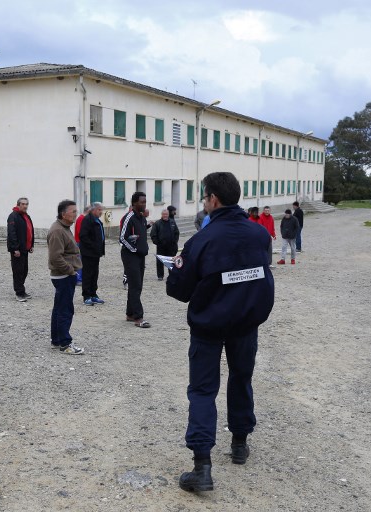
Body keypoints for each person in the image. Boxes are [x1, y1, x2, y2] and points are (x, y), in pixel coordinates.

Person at [167, 172, 275, 492]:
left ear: (213, 199)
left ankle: (202, 467)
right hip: (245, 325)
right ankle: (239, 444)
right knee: (241, 379)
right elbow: (256, 273)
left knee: (202, 391)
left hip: (209, 328)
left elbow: (179, 290)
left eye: (204, 197)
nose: (204, 202)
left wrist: (178, 267)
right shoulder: (258, 234)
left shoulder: (201, 240)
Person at [47, 200, 83, 354]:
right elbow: (56, 257)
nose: (76, 214)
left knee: (59, 308)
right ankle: (65, 344)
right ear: (64, 214)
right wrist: (71, 271)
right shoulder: (57, 231)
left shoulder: (65, 228)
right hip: (63, 276)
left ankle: (56, 340)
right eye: (73, 211)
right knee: (65, 310)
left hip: (65, 275)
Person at [119, 192, 150, 328]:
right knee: (135, 285)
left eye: (145, 202)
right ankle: (138, 317)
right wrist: (134, 250)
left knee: (137, 285)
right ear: (134, 203)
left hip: (140, 256)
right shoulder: (129, 217)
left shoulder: (142, 218)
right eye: (142, 202)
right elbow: (122, 238)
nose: (144, 204)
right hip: (130, 256)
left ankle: (130, 313)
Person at [6, 197, 34, 302]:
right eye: (23, 204)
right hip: (18, 250)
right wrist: (15, 249)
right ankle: (19, 293)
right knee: (18, 271)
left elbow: (31, 230)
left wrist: (31, 245)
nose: (25, 206)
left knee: (24, 271)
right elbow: (12, 233)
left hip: (25, 249)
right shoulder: (13, 216)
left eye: (26, 204)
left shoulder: (26, 216)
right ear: (18, 204)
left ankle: (22, 290)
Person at [78, 202, 106, 305]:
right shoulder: (87, 220)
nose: (101, 212)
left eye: (101, 210)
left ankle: (94, 294)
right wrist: (93, 246)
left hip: (96, 253)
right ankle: (86, 296)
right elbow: (83, 236)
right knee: (87, 274)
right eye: (99, 210)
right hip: (88, 253)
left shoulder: (97, 220)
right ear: (93, 210)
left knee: (95, 274)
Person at [150, 209, 180, 281]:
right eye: (164, 214)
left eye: (166, 214)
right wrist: (157, 242)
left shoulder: (172, 222)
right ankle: (160, 276)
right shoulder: (157, 223)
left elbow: (177, 232)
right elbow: (153, 234)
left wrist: (175, 241)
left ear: (168, 214)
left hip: (171, 246)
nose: (165, 216)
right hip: (161, 246)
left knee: (171, 260)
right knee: (160, 261)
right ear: (162, 215)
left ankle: (171, 274)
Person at [74, 206, 90, 285]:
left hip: (82, 242)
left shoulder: (83, 218)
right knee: (79, 260)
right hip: (80, 242)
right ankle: (78, 279)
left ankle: (81, 278)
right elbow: (81, 232)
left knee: (83, 260)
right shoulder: (81, 219)